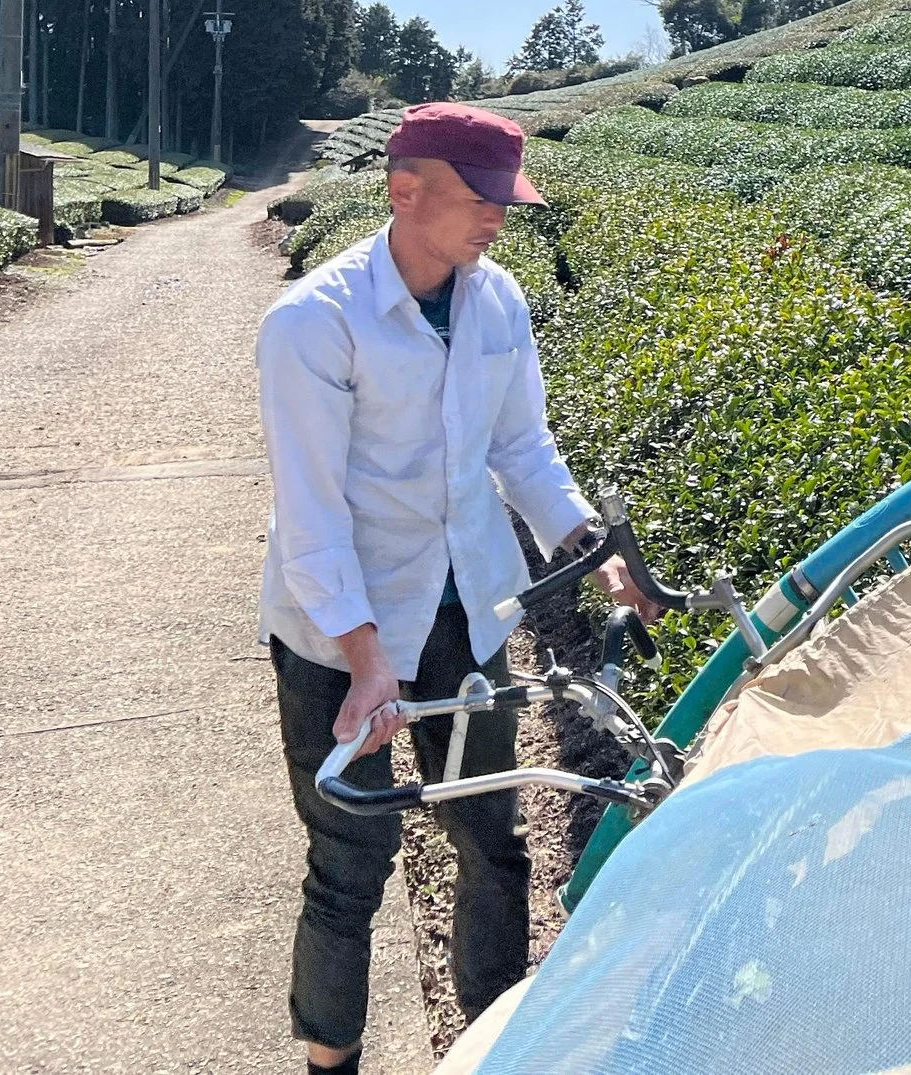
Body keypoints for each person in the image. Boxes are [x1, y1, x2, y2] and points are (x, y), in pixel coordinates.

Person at [257, 102, 656, 1071]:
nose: (497, 219)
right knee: (350, 859)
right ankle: (331, 1060)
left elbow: (521, 445)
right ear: (405, 191)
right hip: (338, 630)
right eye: (480, 198)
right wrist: (366, 661)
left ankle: (493, 1044)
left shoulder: (497, 299)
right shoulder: (314, 323)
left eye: (506, 201)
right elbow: (312, 515)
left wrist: (587, 542)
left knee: (492, 836)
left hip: (465, 611)